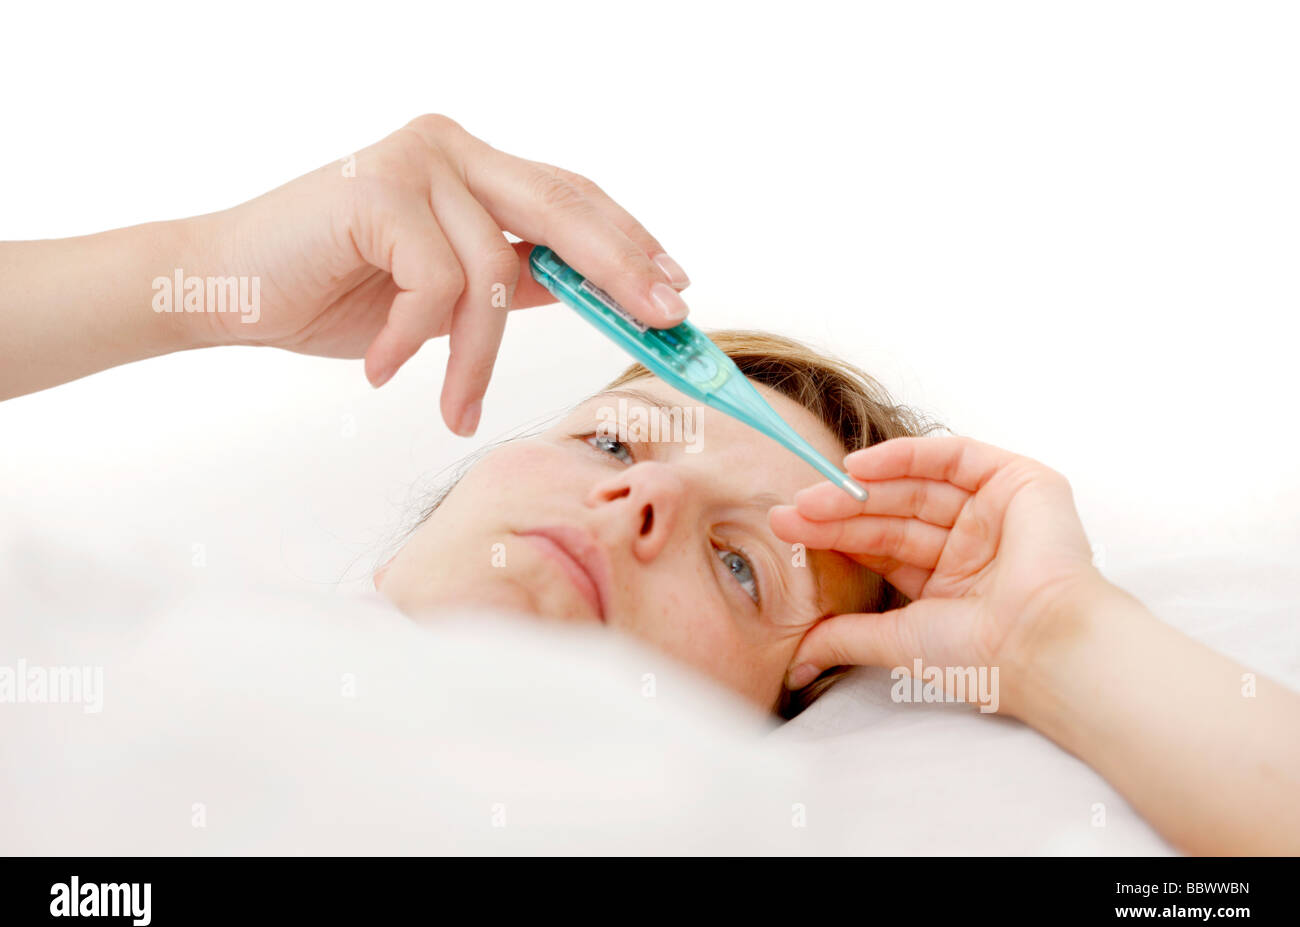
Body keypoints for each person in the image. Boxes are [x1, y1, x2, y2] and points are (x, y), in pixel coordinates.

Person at [3, 115, 1297, 856]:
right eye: (613, 445)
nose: (644, 507)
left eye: (742, 567)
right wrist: (199, 274)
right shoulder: (87, 628)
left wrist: (1055, 636)